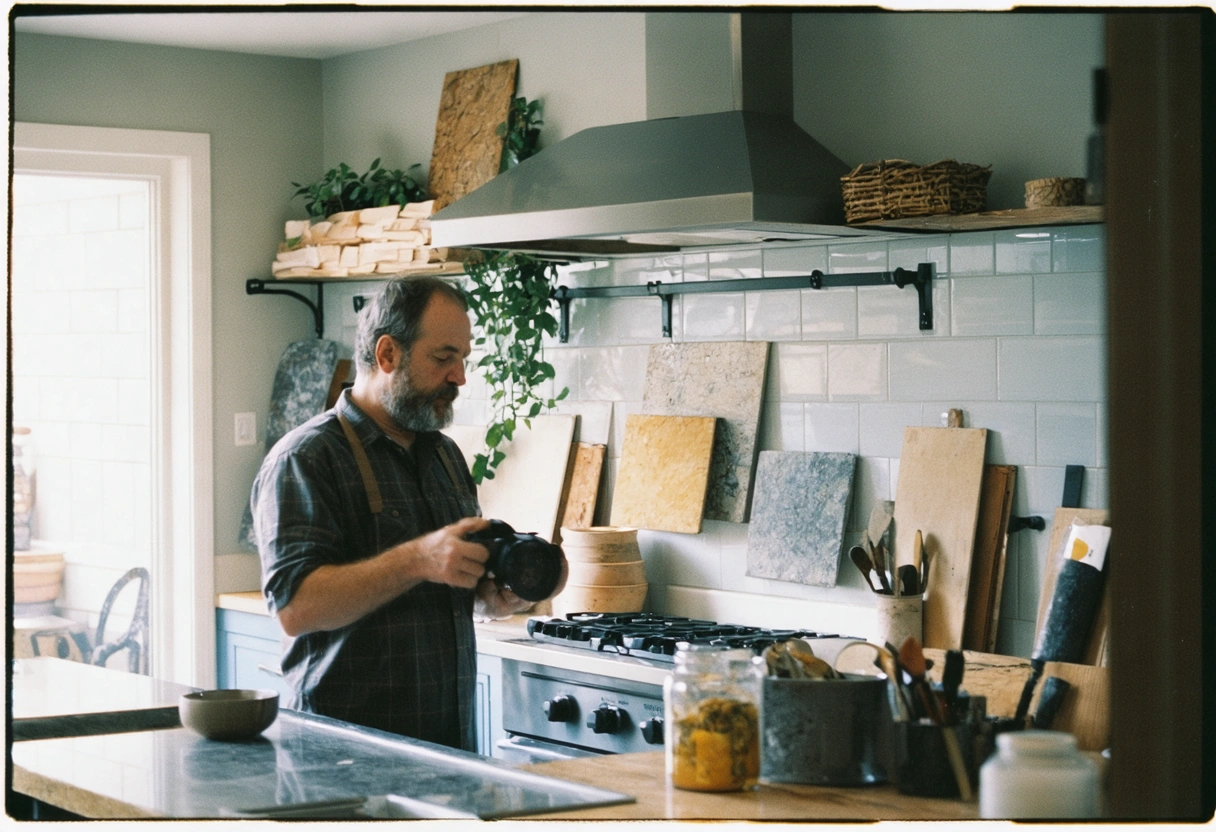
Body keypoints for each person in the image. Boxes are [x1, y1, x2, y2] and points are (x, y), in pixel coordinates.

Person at [251, 275, 564, 751]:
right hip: (341, 762)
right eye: (444, 358)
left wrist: (490, 598)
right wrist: (417, 558)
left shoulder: (445, 456)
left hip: (448, 752)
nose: (460, 376)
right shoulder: (307, 458)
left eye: (463, 359)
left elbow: (438, 588)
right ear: (387, 355)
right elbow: (295, 608)